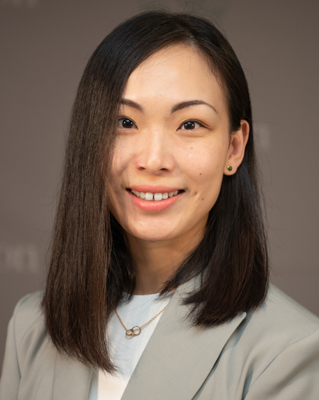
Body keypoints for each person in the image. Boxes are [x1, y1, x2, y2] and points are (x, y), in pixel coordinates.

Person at [1, 11, 319, 400]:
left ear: (234, 148)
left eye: (189, 124)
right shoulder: (33, 327)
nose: (153, 160)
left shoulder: (288, 350)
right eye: (124, 122)